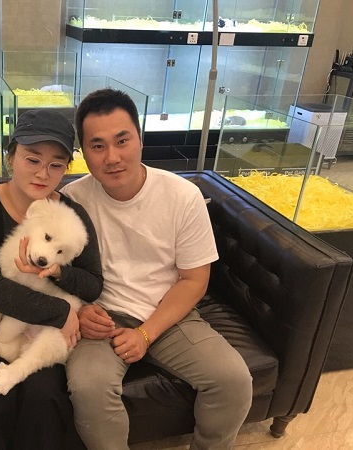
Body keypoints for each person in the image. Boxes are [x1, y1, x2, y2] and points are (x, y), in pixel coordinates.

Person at [61, 89, 253, 450]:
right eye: (97, 146)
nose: (112, 157)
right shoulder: (72, 200)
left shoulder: (182, 196)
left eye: (122, 141)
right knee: (89, 388)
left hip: (167, 313)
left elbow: (194, 279)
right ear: (83, 152)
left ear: (140, 138)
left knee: (233, 380)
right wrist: (80, 311)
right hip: (102, 318)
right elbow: (63, 275)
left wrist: (145, 334)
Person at [0, 109, 103, 450]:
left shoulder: (71, 217)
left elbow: (93, 284)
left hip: (39, 331)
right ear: (11, 156)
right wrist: (62, 312)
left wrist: (58, 271)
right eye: (33, 159)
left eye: (56, 164)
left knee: (45, 398)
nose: (43, 173)